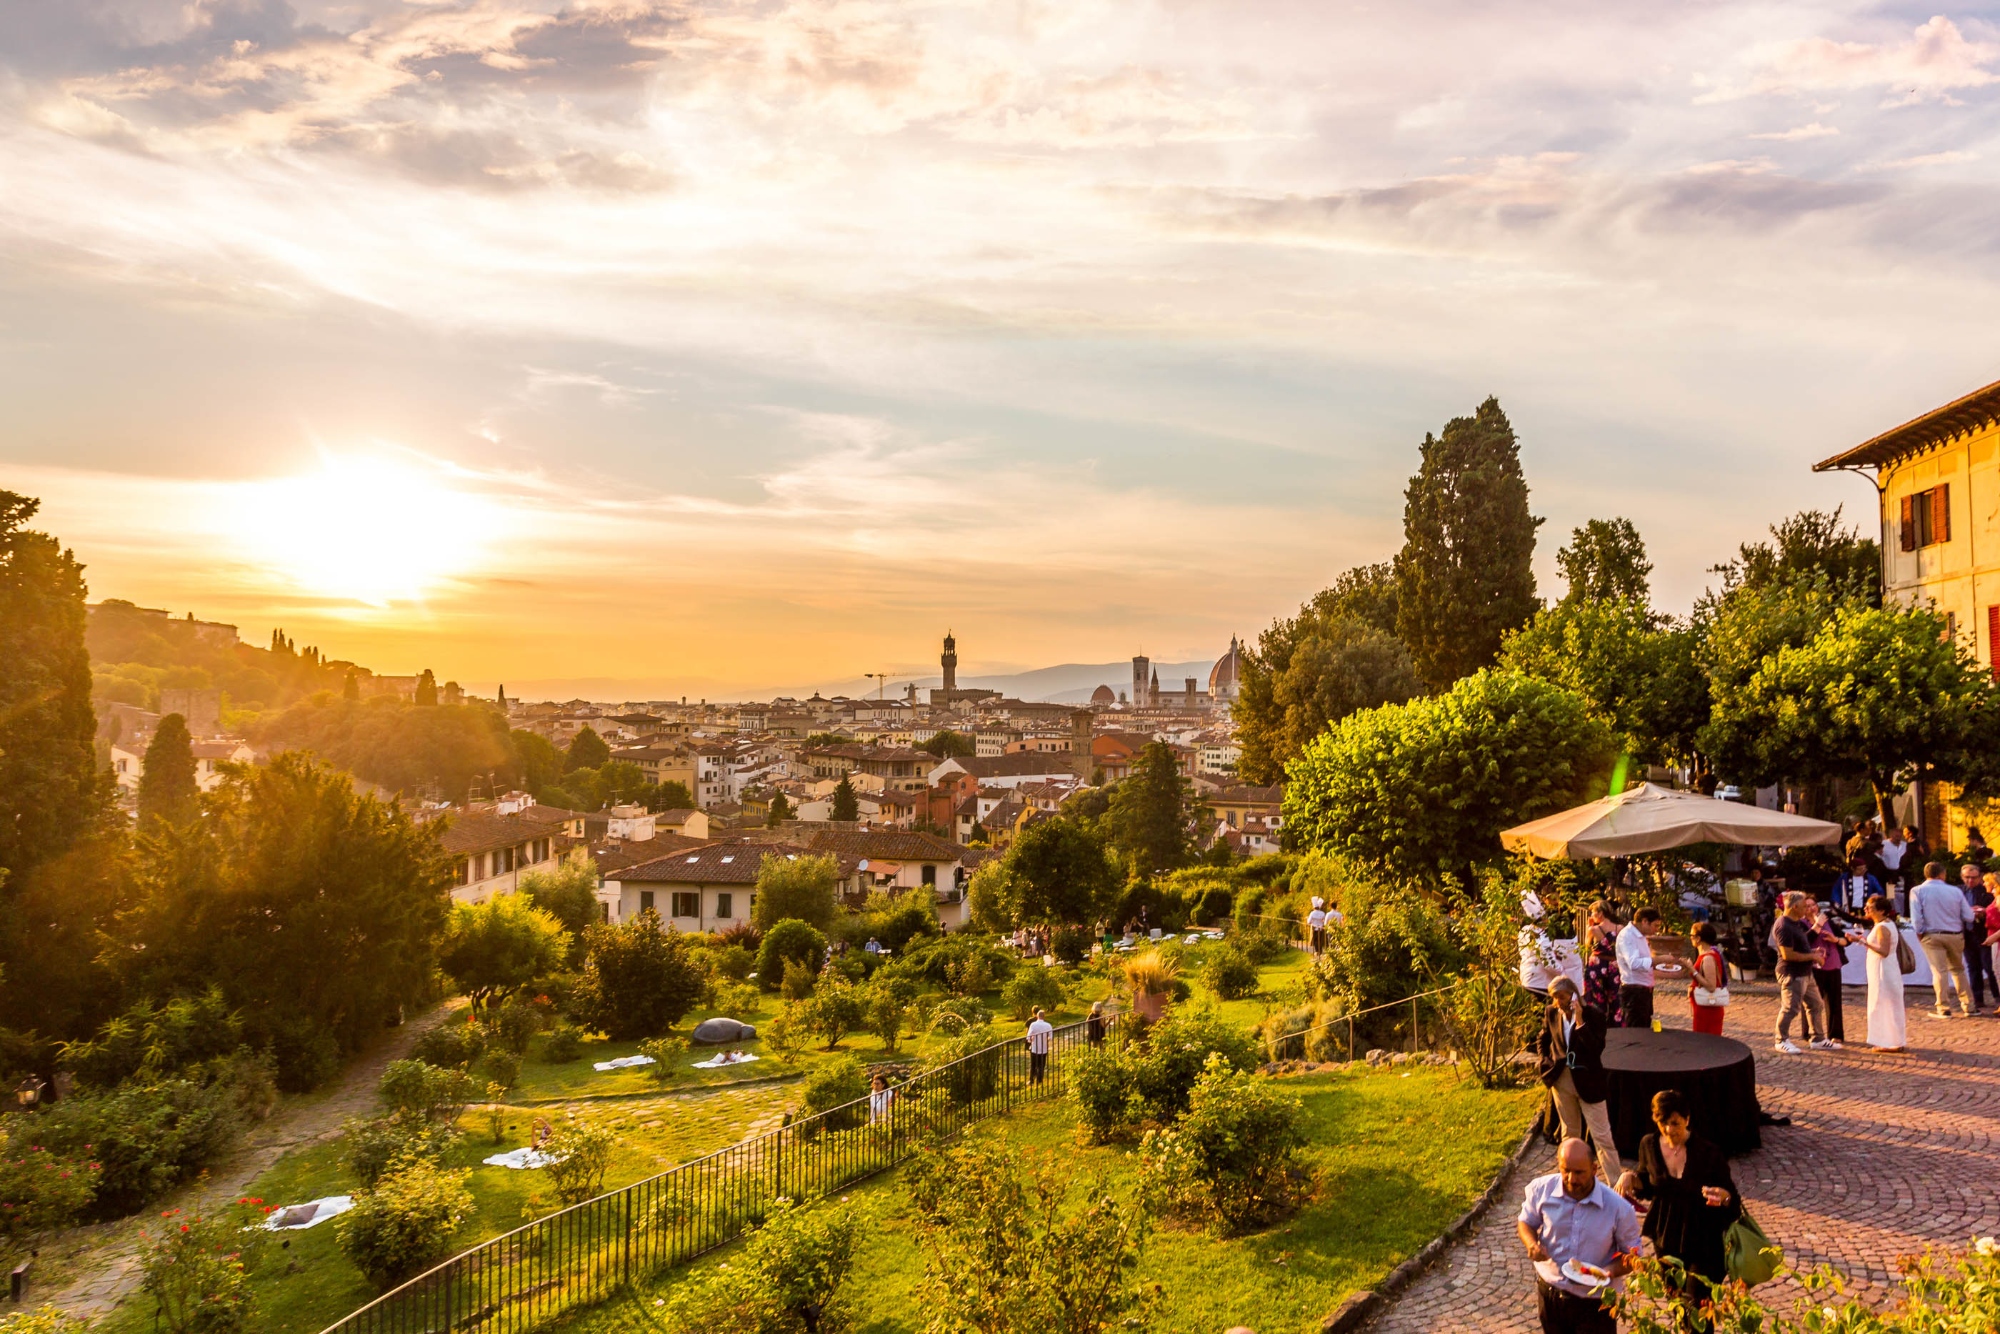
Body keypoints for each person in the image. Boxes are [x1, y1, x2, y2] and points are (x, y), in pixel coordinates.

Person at [1615, 1089, 1740, 1329]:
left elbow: (1733, 1201)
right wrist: (1629, 1177)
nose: (1669, 1129)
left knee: (1698, 1310)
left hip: (1705, 1240)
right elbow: (1649, 1183)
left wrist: (1724, 1197)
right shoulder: (1649, 1144)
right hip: (1667, 1238)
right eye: (1663, 1122)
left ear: (1687, 1119)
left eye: (1675, 1123)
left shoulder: (1708, 1152)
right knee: (1678, 1306)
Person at [1517, 1137, 1641, 1334]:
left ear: (1593, 1169)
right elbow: (1526, 1222)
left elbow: (1633, 1256)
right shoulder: (1541, 1190)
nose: (1571, 1179)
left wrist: (1607, 1272)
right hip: (1550, 1294)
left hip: (1594, 1304)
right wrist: (1531, 1244)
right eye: (1565, 1170)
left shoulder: (1618, 1208)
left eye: (1579, 1172)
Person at [1536, 977, 1622, 1183]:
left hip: (1589, 1080)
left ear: (1574, 995)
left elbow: (1595, 1048)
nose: (1558, 1002)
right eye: (1555, 998)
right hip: (1561, 1079)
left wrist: (1580, 1021)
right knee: (1569, 1132)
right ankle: (1568, 1179)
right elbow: (1543, 1037)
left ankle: (1617, 1184)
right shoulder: (1551, 1012)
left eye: (1562, 997)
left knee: (1602, 1136)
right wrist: (1544, 1060)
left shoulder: (1594, 1016)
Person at [1911, 861, 1976, 1019]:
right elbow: (1969, 916)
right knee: (1958, 970)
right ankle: (1969, 1006)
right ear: (1942, 874)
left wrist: (1919, 933)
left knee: (1939, 971)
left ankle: (1943, 1007)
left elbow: (1916, 918)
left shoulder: (1917, 891)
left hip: (1932, 934)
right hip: (1954, 934)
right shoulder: (1955, 891)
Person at [1773, 891, 1833, 1053]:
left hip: (1805, 972)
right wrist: (1812, 956)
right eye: (1804, 906)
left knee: (1816, 1004)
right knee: (1790, 1008)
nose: (1807, 910)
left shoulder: (1796, 923)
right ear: (1794, 907)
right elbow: (1788, 954)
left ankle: (1818, 1038)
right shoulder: (1783, 926)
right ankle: (1781, 1039)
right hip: (1792, 973)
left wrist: (1813, 950)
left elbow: (1802, 942)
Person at [1809, 898, 1863, 1044]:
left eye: (1813, 904)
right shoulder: (1802, 924)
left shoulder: (1829, 922)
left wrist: (1836, 940)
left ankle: (1836, 1033)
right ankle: (1811, 1032)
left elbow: (1845, 940)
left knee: (1834, 1001)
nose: (1812, 908)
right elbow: (1805, 941)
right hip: (1813, 967)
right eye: (1807, 906)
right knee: (1813, 1002)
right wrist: (1817, 925)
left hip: (1833, 964)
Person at [1859, 893, 1907, 1052]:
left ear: (1881, 911)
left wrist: (1863, 942)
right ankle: (1891, 1040)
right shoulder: (1886, 924)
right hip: (1884, 967)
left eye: (1870, 908)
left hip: (1883, 969)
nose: (1866, 909)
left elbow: (1884, 951)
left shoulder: (1882, 927)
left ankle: (1889, 1042)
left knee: (1883, 1002)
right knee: (1887, 1002)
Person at [1616, 907, 1660, 1029]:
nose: (1656, 930)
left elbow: (1644, 961)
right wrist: (1658, 960)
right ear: (1645, 921)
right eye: (1655, 926)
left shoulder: (1641, 936)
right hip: (1634, 990)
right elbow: (1634, 963)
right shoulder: (1627, 936)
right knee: (1636, 1029)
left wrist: (1657, 964)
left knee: (1644, 1025)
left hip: (1644, 989)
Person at [1960, 864, 1995, 1013]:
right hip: (1966, 934)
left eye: (1973, 878)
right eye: (1967, 877)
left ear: (1980, 878)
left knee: (1990, 967)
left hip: (1984, 934)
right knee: (1972, 967)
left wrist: (1983, 914)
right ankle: (1978, 998)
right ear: (1962, 877)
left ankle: (1997, 996)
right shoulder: (1958, 892)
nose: (1970, 881)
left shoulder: (1987, 892)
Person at [1582, 902, 1623, 1028]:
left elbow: (1586, 946)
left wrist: (1589, 927)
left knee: (1596, 995)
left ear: (1600, 913)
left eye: (1593, 912)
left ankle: (1598, 1023)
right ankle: (1616, 1023)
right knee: (1615, 995)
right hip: (1613, 964)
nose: (1592, 915)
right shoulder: (1620, 928)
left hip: (1597, 964)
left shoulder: (1594, 929)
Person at [1687, 921, 1728, 1036]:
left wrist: (1692, 970)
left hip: (1708, 1009)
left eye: (1692, 935)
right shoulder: (1705, 955)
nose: (1690, 938)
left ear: (1698, 938)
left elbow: (1711, 986)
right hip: (1702, 1007)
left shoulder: (1708, 957)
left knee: (1706, 1041)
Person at [1024, 1007, 1054, 1084]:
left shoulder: (1033, 1025)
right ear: (1044, 1016)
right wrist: (1046, 1039)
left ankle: (1031, 1080)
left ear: (1037, 1016)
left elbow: (1028, 1037)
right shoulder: (1048, 1025)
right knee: (1041, 1065)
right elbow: (1050, 1038)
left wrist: (1031, 1040)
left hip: (1034, 1048)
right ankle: (1039, 1080)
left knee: (1033, 1064)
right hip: (1044, 1048)